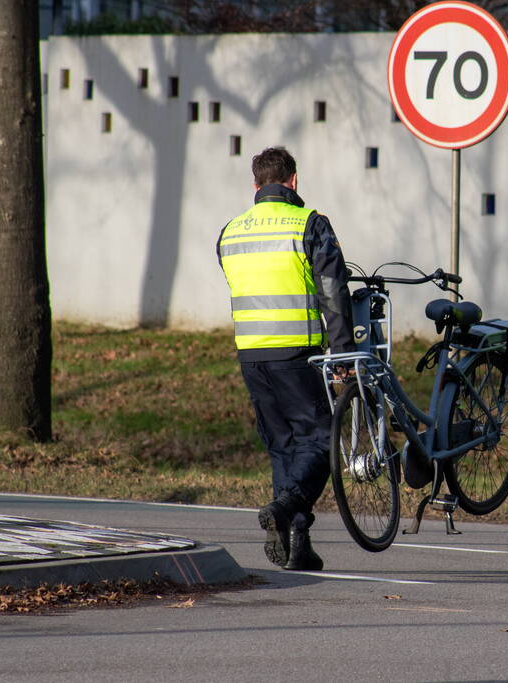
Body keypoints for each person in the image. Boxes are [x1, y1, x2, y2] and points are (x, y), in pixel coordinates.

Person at [216, 146, 355, 571]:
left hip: (251, 354)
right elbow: (332, 289)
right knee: (320, 439)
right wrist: (344, 351)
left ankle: (298, 546)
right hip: (298, 353)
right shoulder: (309, 223)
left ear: (256, 185)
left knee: (282, 446)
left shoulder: (231, 231)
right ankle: (286, 505)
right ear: (294, 181)